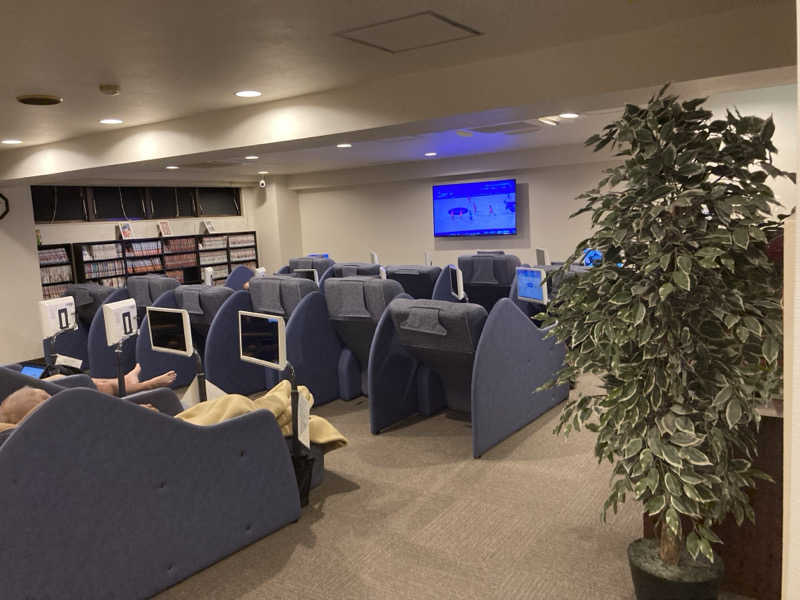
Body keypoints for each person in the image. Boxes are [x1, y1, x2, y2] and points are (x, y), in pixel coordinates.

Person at [0, 380, 347, 454]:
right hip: (175, 435)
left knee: (220, 404)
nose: (51, 397)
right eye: (44, 398)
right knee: (237, 404)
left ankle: (285, 400)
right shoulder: (66, 429)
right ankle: (286, 401)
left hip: (162, 426)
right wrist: (141, 416)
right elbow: (121, 430)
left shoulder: (59, 432)